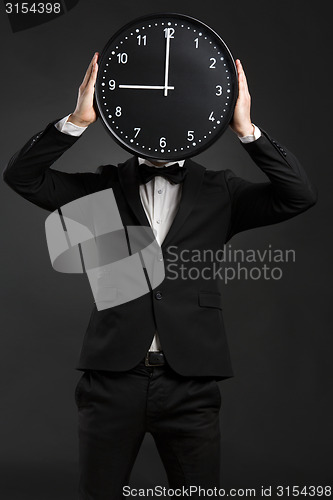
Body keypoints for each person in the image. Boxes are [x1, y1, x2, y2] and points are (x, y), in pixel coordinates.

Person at [2, 52, 317, 499]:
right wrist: (78, 119)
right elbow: (22, 177)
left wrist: (247, 131)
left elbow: (299, 195)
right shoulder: (102, 188)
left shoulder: (220, 192)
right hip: (112, 381)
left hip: (190, 384)